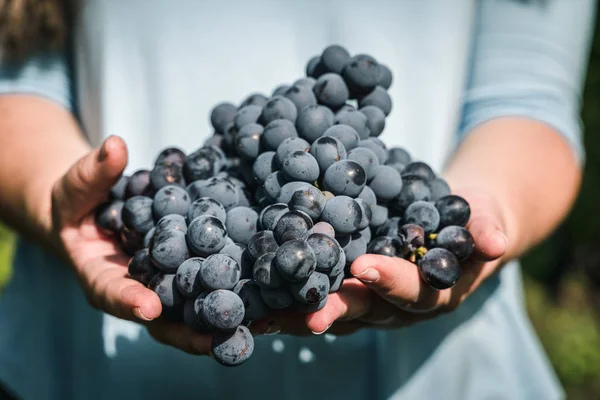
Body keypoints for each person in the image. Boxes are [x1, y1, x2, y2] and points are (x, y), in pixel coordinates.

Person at [0, 0, 593, 399]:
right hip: (88, 366)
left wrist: (499, 203)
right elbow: (18, 85)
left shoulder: (330, 171)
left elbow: (527, 101)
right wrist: (55, 190)